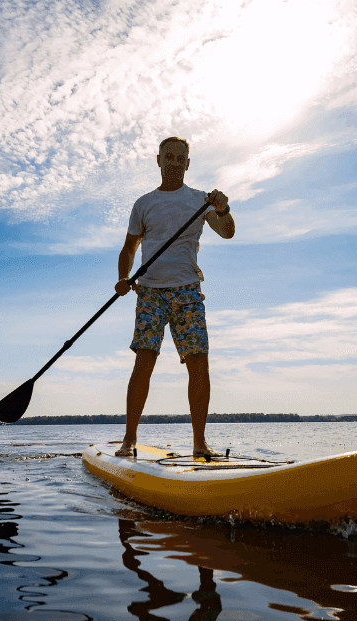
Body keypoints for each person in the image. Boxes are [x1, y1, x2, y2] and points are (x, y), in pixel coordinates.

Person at [113, 137, 235, 457]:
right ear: (159, 160)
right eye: (168, 157)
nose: (174, 162)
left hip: (187, 291)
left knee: (199, 363)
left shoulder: (201, 200)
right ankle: (129, 440)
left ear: (188, 163)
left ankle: (199, 443)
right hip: (150, 291)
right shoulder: (144, 203)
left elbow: (228, 232)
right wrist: (123, 278)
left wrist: (223, 208)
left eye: (180, 158)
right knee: (145, 361)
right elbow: (129, 249)